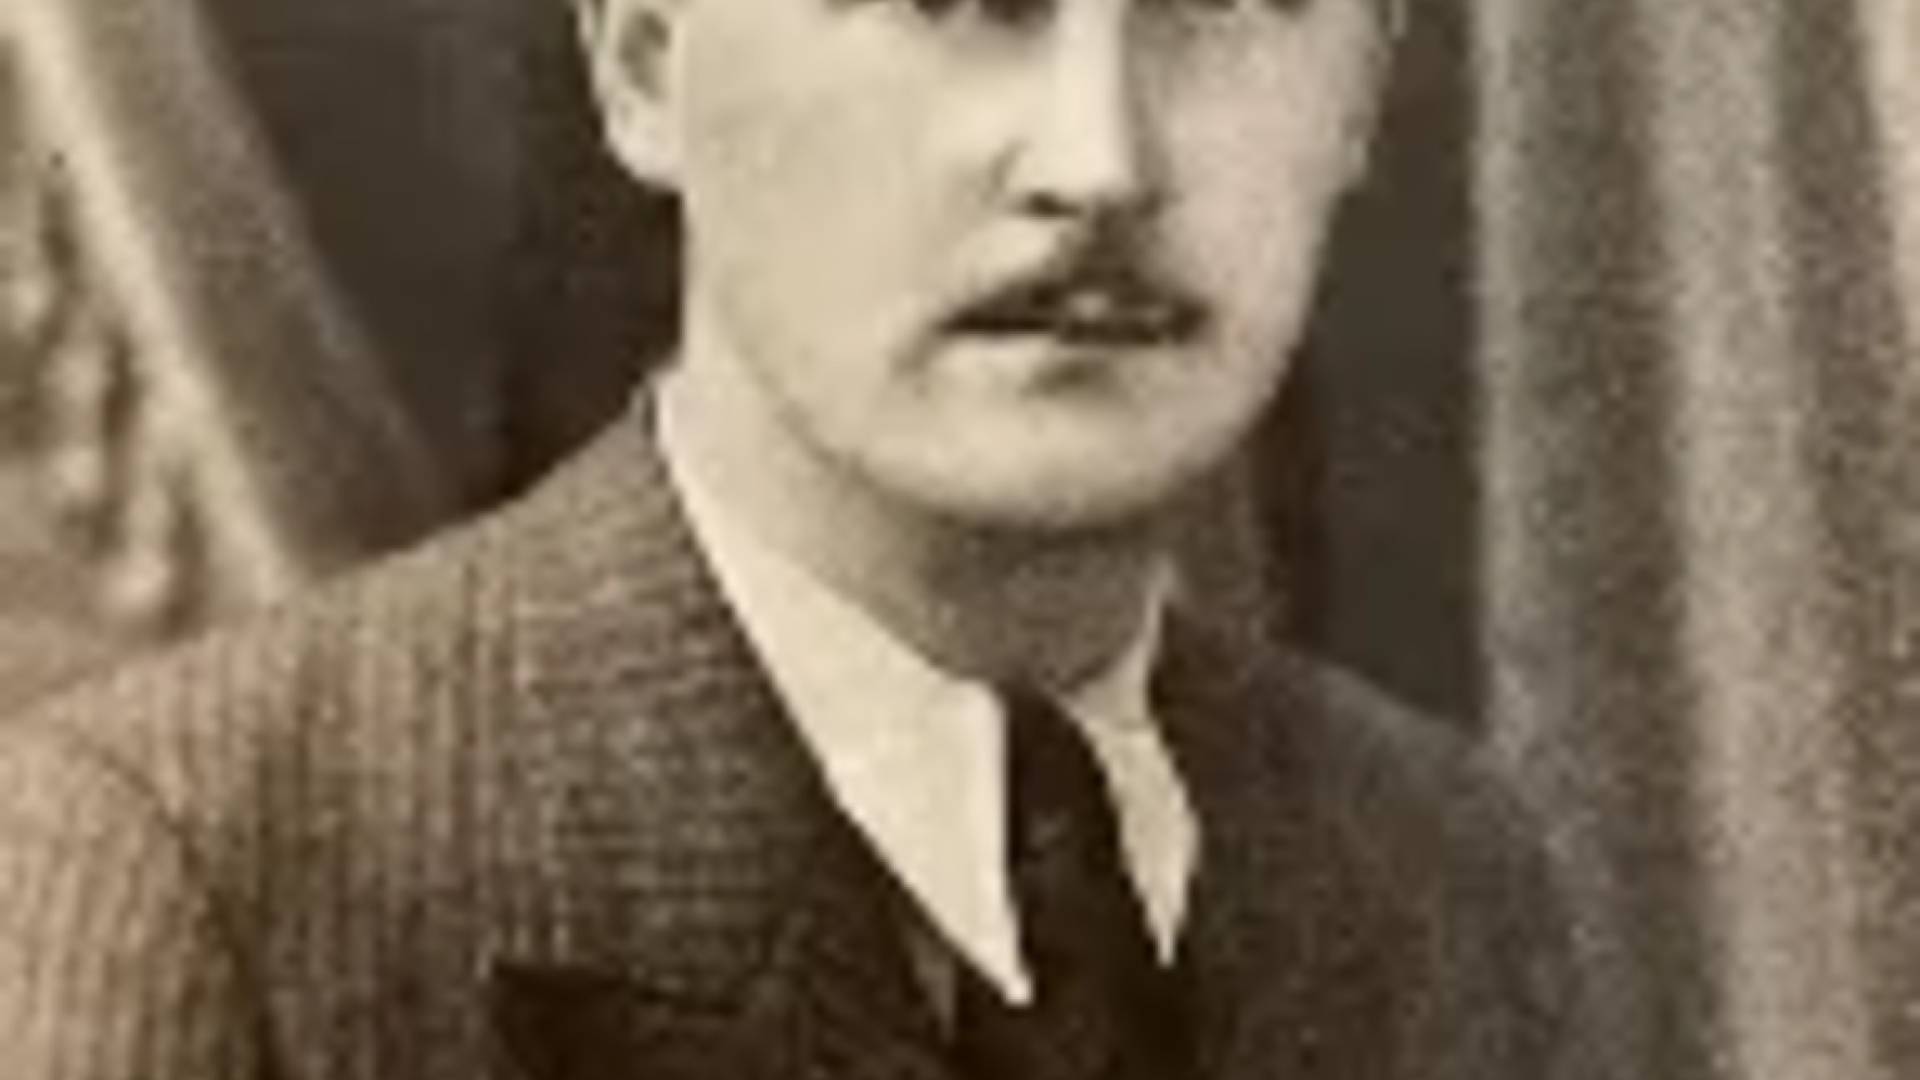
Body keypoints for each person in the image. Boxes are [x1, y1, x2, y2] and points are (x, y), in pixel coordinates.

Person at [0, 0, 1580, 1077]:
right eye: (957, 8)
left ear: (1363, 87)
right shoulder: (193, 876)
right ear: (645, 64)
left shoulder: (1439, 875)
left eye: (1218, 9)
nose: (1098, 159)